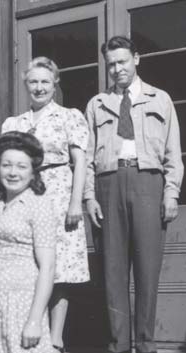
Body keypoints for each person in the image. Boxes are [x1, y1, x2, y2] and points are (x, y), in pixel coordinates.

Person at [84, 36, 183, 353]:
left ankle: (146, 345)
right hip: (109, 183)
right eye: (111, 64)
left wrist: (170, 193)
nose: (117, 69)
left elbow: (173, 153)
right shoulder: (97, 104)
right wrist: (89, 196)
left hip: (147, 183)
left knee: (147, 269)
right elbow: (86, 158)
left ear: (136, 59)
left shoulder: (160, 100)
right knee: (112, 273)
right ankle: (118, 346)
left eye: (122, 61)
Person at [2, 56, 90, 352]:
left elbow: (80, 162)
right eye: (33, 82)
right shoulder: (15, 123)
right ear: (26, 84)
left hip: (60, 195)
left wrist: (76, 202)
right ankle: (31, 326)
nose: (39, 88)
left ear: (55, 84)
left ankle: (56, 337)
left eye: (45, 82)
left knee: (59, 266)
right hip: (26, 195)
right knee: (31, 261)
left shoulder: (70, 116)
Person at [0, 132, 56, 353]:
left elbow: (48, 267)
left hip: (23, 304)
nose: (13, 172)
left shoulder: (39, 205)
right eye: (6, 165)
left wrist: (35, 320)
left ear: (32, 172)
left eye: (21, 166)